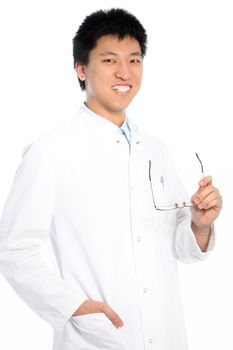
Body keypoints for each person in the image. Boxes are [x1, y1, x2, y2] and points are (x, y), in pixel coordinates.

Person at [0, 8, 222, 350]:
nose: (124, 72)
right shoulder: (49, 153)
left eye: (134, 60)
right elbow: (14, 250)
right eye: (109, 60)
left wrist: (200, 225)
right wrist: (73, 307)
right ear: (81, 68)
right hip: (96, 339)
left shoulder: (157, 151)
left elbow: (181, 248)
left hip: (167, 336)